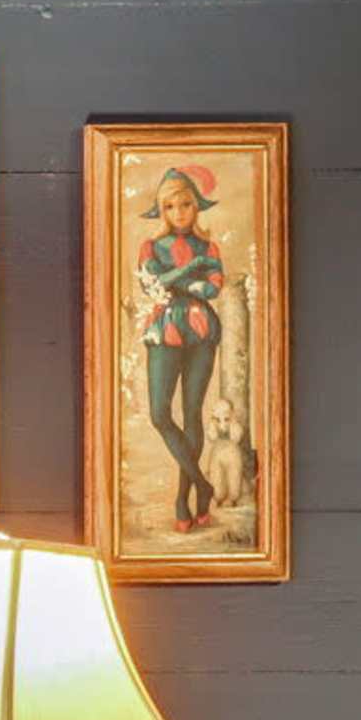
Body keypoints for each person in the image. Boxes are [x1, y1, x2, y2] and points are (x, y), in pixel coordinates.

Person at [132, 164, 228, 532]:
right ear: (161, 210)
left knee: (192, 413)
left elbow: (212, 289)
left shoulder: (210, 247)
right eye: (169, 207)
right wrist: (195, 271)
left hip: (202, 331)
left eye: (185, 205)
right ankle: (203, 484)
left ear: (196, 206)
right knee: (160, 413)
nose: (178, 214)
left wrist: (178, 281)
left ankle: (183, 498)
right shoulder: (150, 247)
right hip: (165, 330)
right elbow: (152, 286)